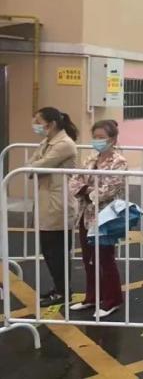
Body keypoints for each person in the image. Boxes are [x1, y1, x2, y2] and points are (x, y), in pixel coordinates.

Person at [67, 120, 127, 318]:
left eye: (102, 137)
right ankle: (92, 296)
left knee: (105, 258)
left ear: (113, 139)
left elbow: (109, 190)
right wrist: (88, 190)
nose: (98, 141)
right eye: (95, 137)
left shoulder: (119, 162)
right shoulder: (91, 159)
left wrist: (88, 190)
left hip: (105, 217)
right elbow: (74, 182)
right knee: (88, 259)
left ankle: (112, 300)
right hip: (86, 215)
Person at [27, 107, 78, 306]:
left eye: (38, 122)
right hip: (46, 202)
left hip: (58, 204)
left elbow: (37, 166)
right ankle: (59, 288)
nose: (35, 126)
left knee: (57, 252)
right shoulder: (47, 142)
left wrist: (33, 167)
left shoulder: (64, 144)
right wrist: (32, 167)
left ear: (52, 123)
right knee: (49, 250)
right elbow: (30, 165)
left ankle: (64, 292)